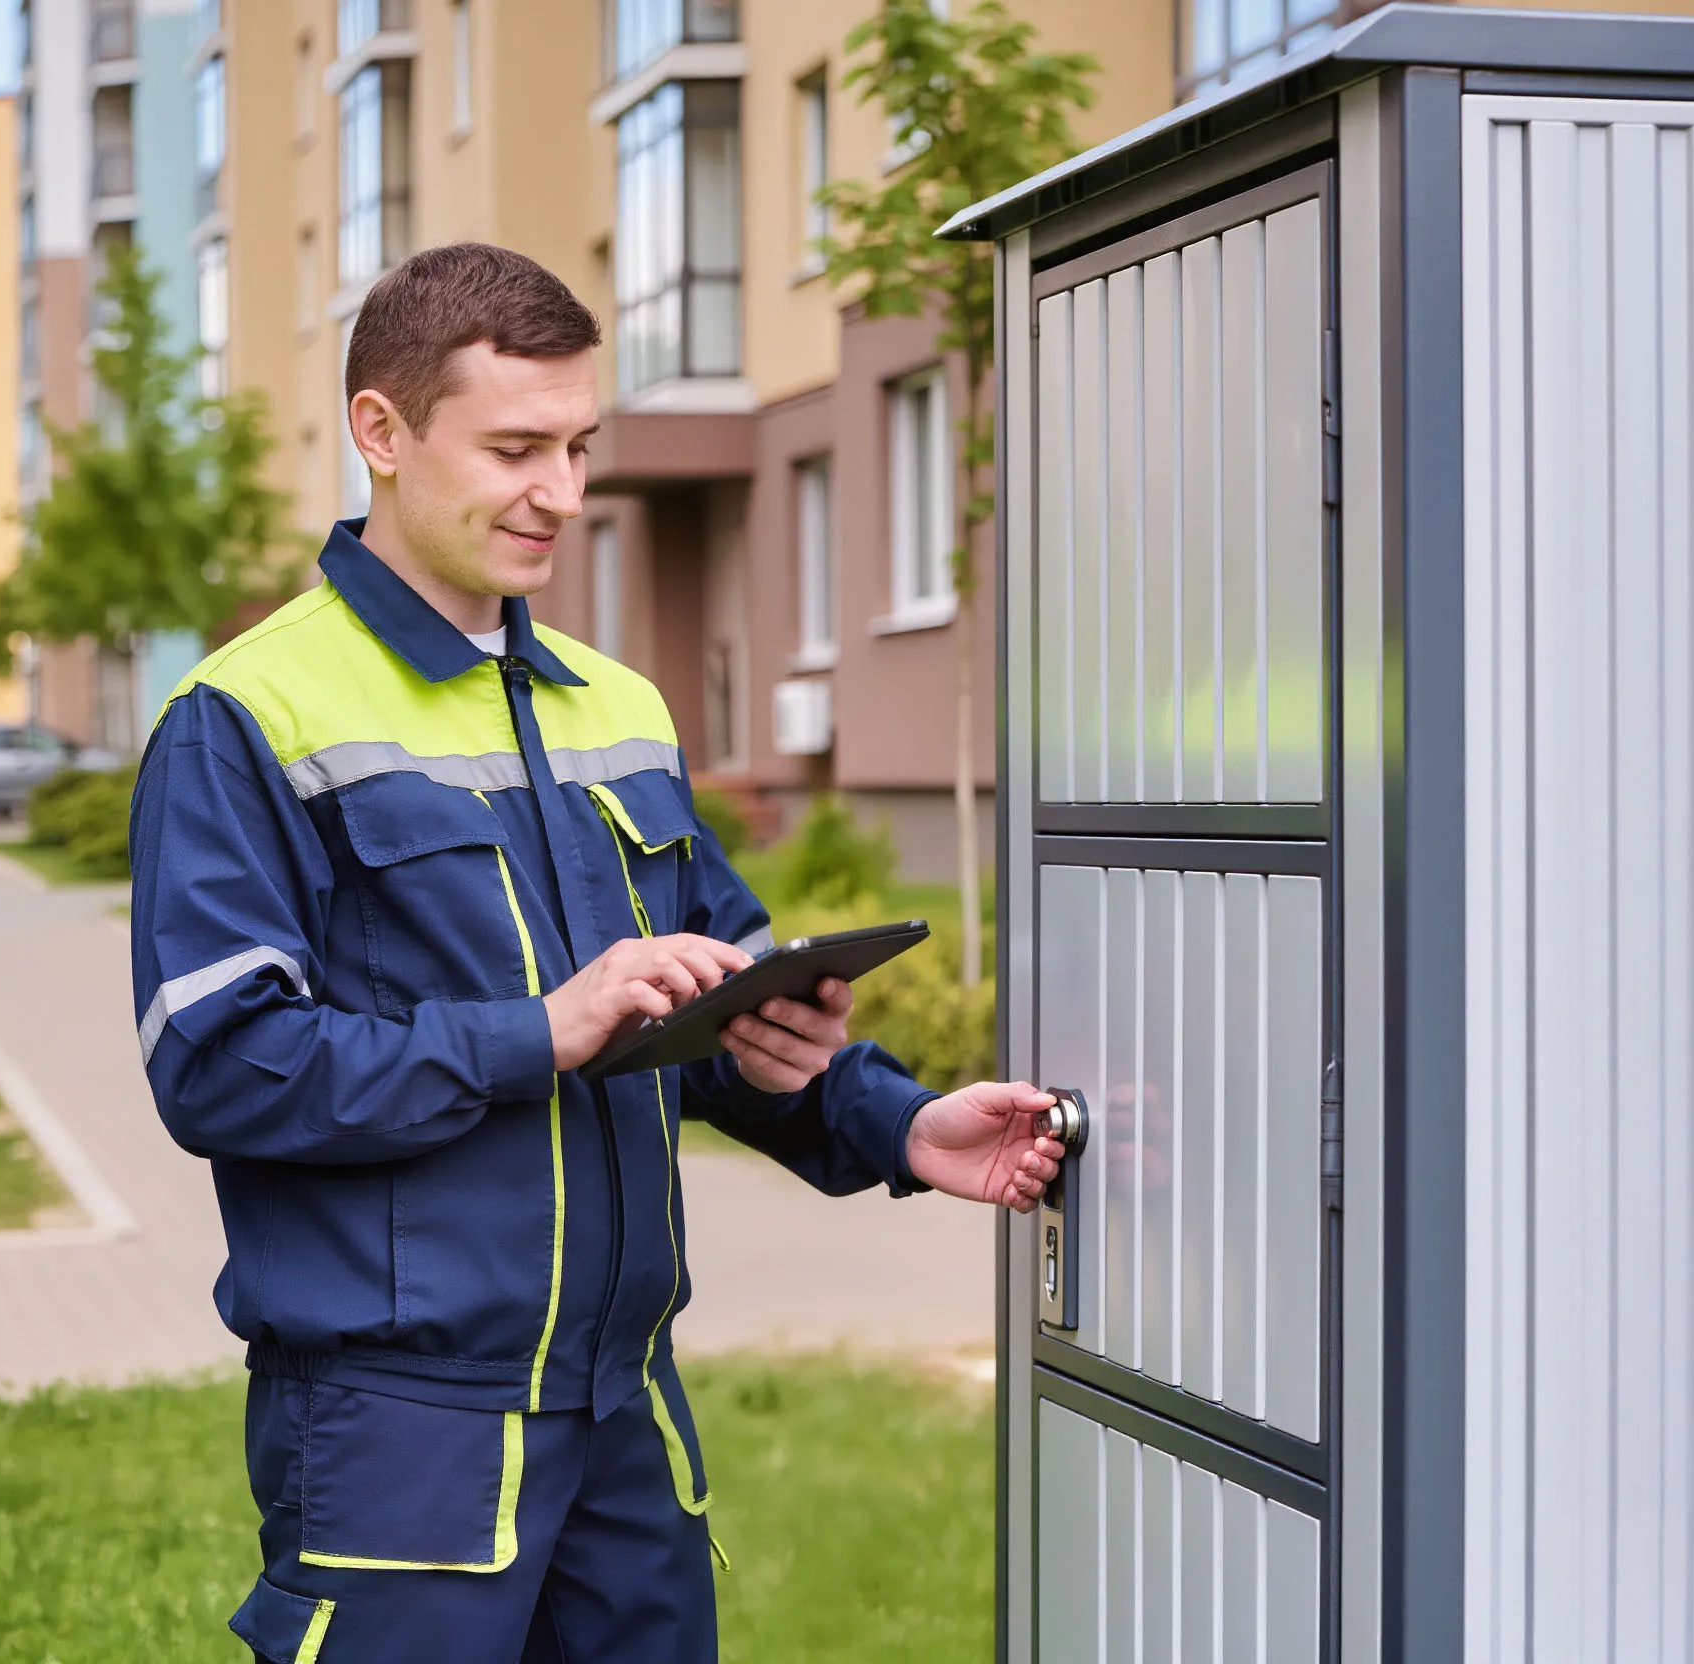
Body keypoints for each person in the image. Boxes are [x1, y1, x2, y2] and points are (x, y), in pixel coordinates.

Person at [130, 242, 1065, 1664]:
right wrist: (538, 1032)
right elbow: (223, 1065)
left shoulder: (616, 711)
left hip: (627, 1419)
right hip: (403, 1437)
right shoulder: (248, 717)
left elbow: (718, 1009)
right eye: (516, 448)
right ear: (379, 433)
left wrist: (897, 1122)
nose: (563, 493)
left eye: (579, 446)